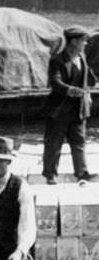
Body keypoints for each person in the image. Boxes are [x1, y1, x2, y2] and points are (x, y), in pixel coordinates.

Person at [42, 25, 97, 184]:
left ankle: (82, 173)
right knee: (54, 142)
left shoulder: (81, 58)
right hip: (59, 109)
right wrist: (72, 90)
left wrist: (87, 92)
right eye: (83, 41)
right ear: (73, 41)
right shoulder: (57, 60)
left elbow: (90, 79)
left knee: (79, 141)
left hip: (79, 109)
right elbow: (55, 82)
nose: (85, 44)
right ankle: (50, 174)